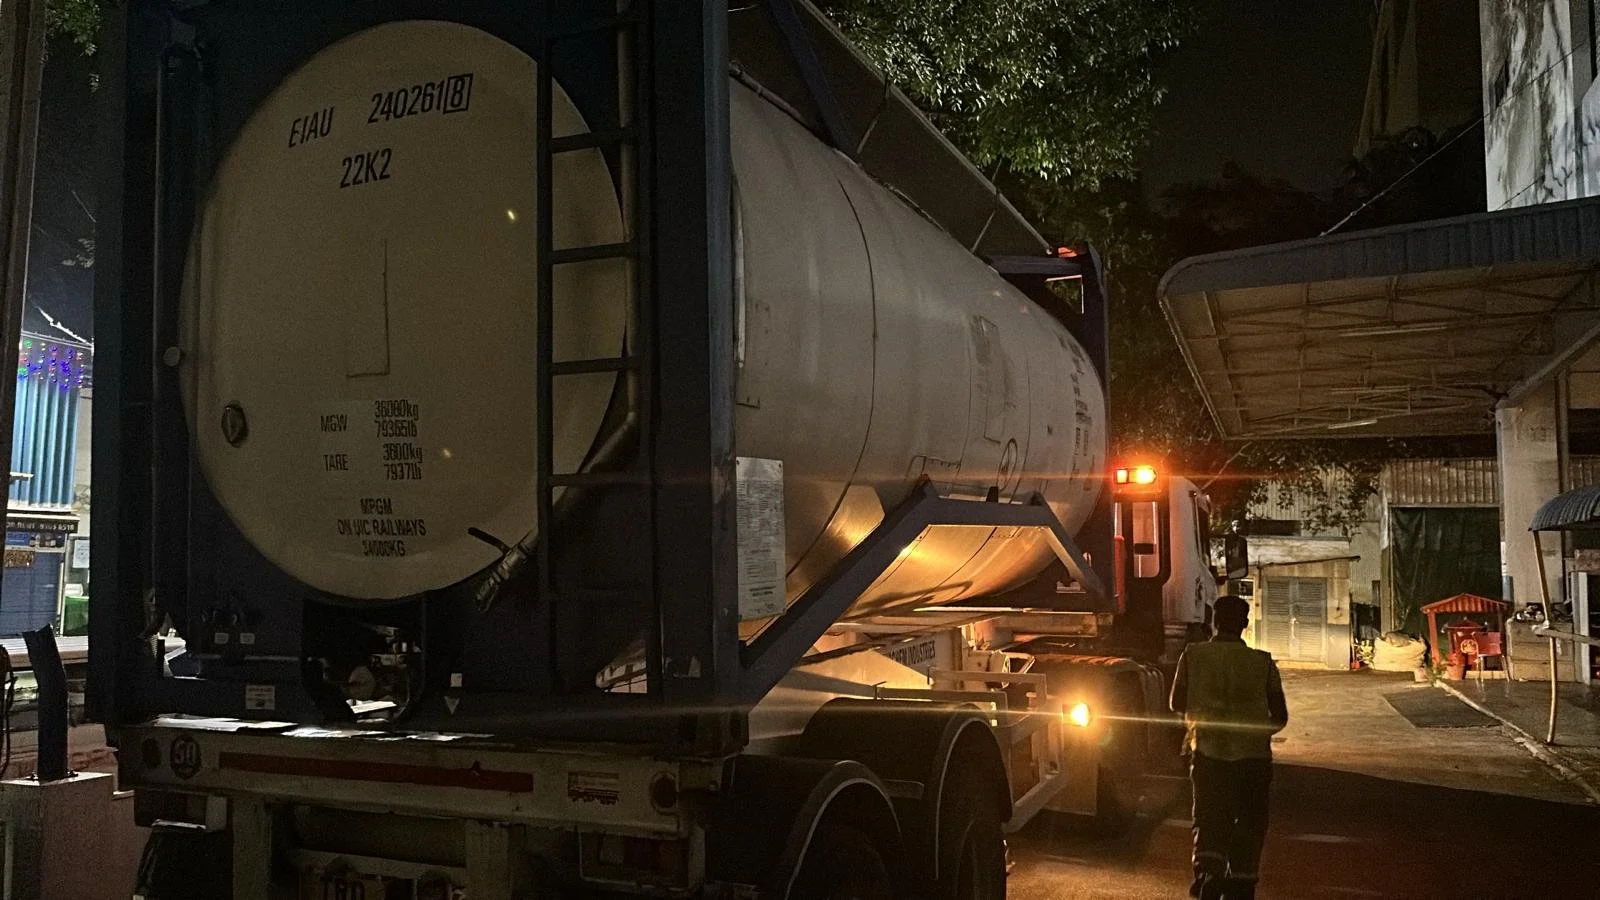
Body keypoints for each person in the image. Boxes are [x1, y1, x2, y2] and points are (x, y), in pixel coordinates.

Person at [1169, 594, 1288, 900]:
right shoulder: (1262, 662)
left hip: (1207, 753)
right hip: (1254, 758)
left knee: (1209, 815)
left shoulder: (1192, 656)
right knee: (1249, 819)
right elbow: (1280, 716)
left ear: (1214, 622)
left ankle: (1209, 873)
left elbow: (1175, 703)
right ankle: (1243, 882)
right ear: (1245, 625)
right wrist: (1257, 733)